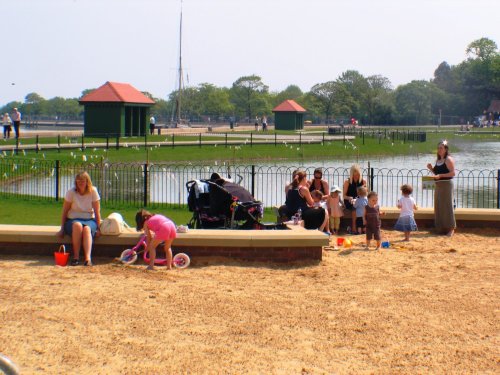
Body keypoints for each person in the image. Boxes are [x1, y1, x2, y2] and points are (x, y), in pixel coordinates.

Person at [56, 172, 101, 266]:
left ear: (87, 182)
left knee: (87, 229)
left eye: (82, 181)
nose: (80, 183)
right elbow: (64, 211)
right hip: (73, 219)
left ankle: (88, 258)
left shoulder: (93, 191)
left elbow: (97, 211)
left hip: (89, 219)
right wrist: (62, 228)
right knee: (77, 226)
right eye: (78, 180)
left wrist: (98, 228)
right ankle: (76, 257)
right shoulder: (71, 192)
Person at [426, 140, 456, 237]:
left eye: (441, 148)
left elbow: (452, 173)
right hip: (438, 185)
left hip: (446, 185)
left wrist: (440, 175)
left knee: (447, 206)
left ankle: (451, 229)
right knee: (439, 206)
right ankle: (441, 228)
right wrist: (431, 169)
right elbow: (436, 174)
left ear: (446, 149)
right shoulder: (438, 160)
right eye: (438, 148)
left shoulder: (448, 159)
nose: (439, 150)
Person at [343, 165, 366, 233]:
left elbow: (365, 194)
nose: (356, 176)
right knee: (354, 207)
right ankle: (354, 226)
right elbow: (344, 196)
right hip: (349, 200)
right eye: (354, 175)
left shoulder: (363, 181)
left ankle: (364, 226)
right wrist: (349, 198)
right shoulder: (347, 182)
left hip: (360, 199)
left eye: (357, 175)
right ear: (351, 174)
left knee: (364, 206)